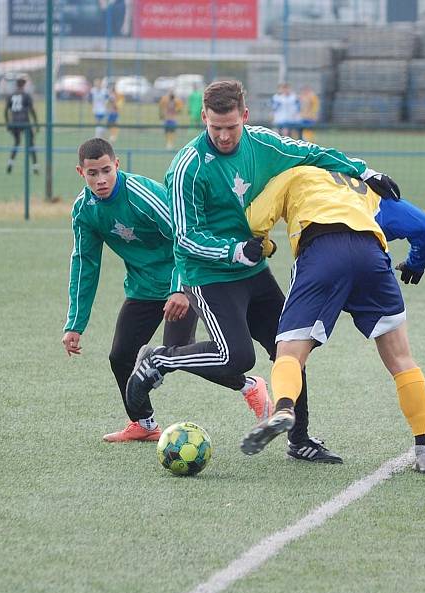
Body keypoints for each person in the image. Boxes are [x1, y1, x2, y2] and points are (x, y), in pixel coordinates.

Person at [125, 80, 400, 464]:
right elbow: (185, 238)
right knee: (236, 358)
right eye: (215, 127)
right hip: (207, 275)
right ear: (203, 118)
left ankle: (299, 439)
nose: (223, 136)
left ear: (245, 117)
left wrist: (365, 172)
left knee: (289, 347)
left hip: (253, 271)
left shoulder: (263, 143)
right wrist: (234, 250)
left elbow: (311, 153)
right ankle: (159, 360)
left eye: (231, 127)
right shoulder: (187, 167)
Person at [238, 166, 425, 473]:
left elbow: (254, 220)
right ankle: (424, 447)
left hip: (322, 252)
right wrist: (416, 263)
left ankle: (283, 409)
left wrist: (265, 246)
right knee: (401, 358)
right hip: (370, 254)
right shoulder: (365, 184)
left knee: (290, 353)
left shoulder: (291, 174)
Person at [63, 137, 199, 441]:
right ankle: (144, 424)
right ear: (80, 172)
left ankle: (248, 385)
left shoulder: (141, 195)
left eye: (106, 171)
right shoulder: (85, 210)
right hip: (144, 288)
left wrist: (180, 287)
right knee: (121, 355)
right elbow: (85, 265)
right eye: (92, 173)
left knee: (177, 354)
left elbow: (184, 236)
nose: (101, 180)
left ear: (117, 165)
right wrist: (75, 324)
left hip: (186, 278)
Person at [4, 77, 39, 175]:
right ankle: (35, 167)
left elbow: (6, 111)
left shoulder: (11, 95)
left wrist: (8, 123)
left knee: (16, 142)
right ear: (24, 85)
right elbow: (32, 110)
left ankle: (10, 163)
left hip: (14, 122)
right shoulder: (26, 96)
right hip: (25, 122)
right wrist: (36, 124)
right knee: (31, 144)